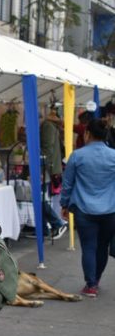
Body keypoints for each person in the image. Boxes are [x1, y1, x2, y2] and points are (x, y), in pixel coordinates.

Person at [59, 118, 115, 298]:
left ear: (87, 133)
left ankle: (90, 285)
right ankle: (96, 280)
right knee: (102, 246)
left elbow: (67, 184)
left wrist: (64, 204)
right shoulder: (114, 156)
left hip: (84, 209)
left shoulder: (77, 156)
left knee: (89, 247)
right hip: (110, 210)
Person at [39, 111, 67, 240]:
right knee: (41, 198)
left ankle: (57, 223)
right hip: (51, 167)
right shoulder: (54, 128)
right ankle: (44, 229)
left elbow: (47, 149)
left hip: (45, 168)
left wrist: (43, 166)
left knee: (39, 199)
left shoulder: (47, 127)